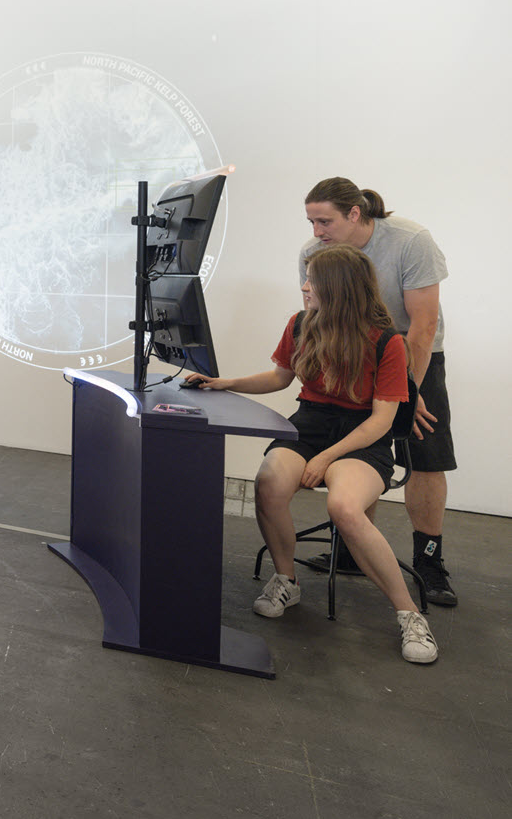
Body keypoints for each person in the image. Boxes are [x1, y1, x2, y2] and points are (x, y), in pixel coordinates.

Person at [186, 244, 438, 664]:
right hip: (309, 424)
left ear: (338, 289)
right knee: (269, 484)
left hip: (362, 437)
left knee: (345, 508)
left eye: (312, 282)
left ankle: (409, 614)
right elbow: (279, 377)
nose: (304, 287)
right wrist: (223, 382)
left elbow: (381, 421)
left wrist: (326, 458)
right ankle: (287, 580)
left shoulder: (388, 342)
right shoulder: (301, 324)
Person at [299, 177, 456, 606]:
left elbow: (422, 326)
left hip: (413, 353)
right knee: (358, 451)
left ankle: (429, 562)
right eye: (311, 222)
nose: (316, 232)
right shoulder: (314, 252)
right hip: (352, 355)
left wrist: (409, 389)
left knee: (425, 454)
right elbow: (317, 315)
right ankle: (353, 550)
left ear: (355, 214)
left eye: (325, 221)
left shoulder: (410, 241)